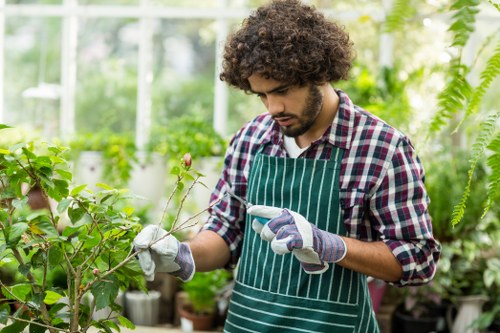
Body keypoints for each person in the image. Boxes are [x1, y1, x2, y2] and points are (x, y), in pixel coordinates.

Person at [133, 0, 441, 332]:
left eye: (282, 90)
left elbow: (417, 258)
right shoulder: (250, 140)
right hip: (248, 323)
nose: (273, 107)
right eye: (261, 95)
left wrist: (331, 245)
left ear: (319, 72)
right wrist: (183, 254)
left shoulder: (381, 148)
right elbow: (225, 232)